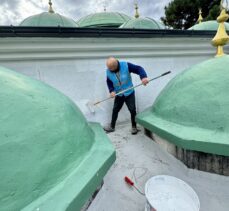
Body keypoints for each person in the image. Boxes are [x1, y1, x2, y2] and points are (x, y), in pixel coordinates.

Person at [103, 57, 149, 134]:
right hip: (119, 94)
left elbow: (139, 68)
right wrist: (111, 91)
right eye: (108, 68)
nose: (109, 70)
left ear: (116, 66)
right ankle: (112, 126)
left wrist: (143, 77)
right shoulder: (108, 71)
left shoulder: (126, 65)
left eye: (111, 69)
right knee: (115, 110)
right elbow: (109, 82)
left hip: (129, 92)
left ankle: (134, 127)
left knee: (132, 110)